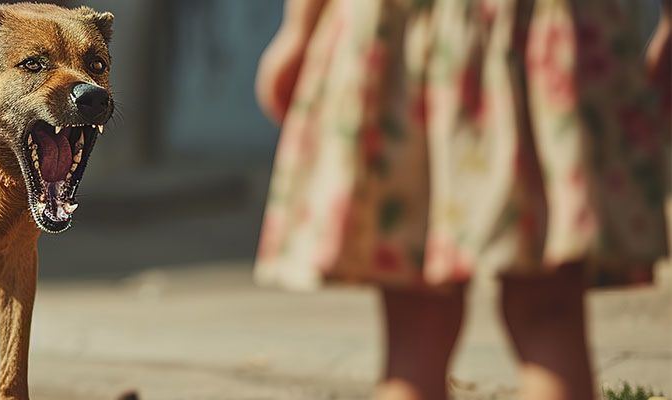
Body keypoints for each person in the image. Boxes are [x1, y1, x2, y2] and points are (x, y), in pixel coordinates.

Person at [254, 1, 671, 399]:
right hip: (548, 30)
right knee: (550, 315)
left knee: (414, 335)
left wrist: (299, 30)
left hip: (407, 38)